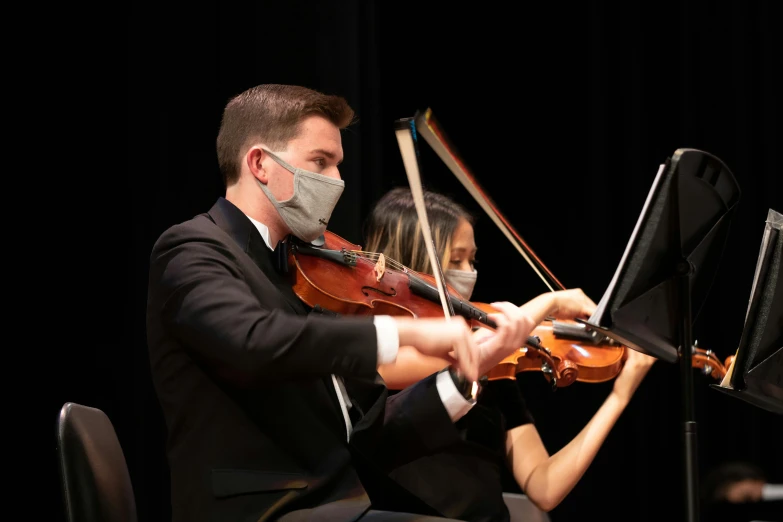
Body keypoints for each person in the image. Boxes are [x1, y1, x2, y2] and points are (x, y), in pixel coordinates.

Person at [145, 83, 545, 522]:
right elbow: (253, 339)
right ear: (260, 163)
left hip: (334, 506)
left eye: (338, 164)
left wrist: (471, 368)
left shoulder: (301, 272)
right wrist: (404, 330)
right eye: (320, 162)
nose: (336, 181)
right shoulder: (192, 248)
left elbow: (370, 436)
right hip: (262, 510)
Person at [362, 187, 658, 521]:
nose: (468, 271)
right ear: (413, 260)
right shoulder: (373, 344)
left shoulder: (499, 369)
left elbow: (544, 487)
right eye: (455, 259)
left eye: (472, 260)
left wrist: (619, 396)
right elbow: (459, 356)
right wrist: (548, 303)